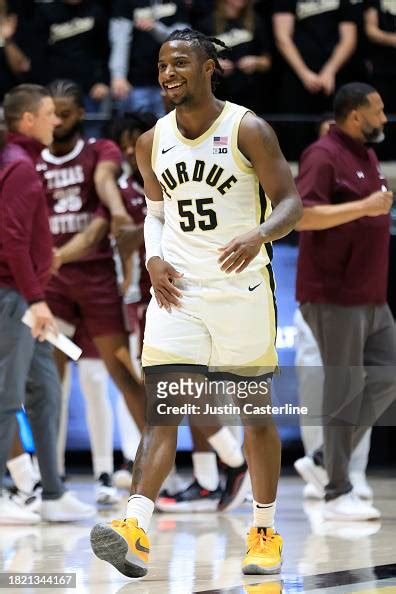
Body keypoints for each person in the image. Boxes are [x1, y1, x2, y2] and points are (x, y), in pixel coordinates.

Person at [90, 28, 302, 578]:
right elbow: (155, 213)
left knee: (255, 417)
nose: (168, 73)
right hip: (177, 291)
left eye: (180, 63)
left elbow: (291, 203)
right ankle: (134, 526)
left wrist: (259, 235)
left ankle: (264, 529)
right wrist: (153, 259)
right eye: (162, 64)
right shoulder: (150, 140)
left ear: (210, 67)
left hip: (241, 290)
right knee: (163, 414)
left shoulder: (247, 128)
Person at [35, 79, 146, 500]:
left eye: (65, 112)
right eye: (52, 112)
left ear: (81, 113)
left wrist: (116, 211)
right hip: (55, 289)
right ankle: (53, 479)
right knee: (51, 380)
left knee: (116, 376)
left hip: (99, 282)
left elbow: (103, 200)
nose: (57, 120)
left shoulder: (101, 151)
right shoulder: (32, 159)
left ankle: (141, 472)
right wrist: (51, 262)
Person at [294, 82, 396, 521]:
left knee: (387, 377)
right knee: (344, 389)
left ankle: (322, 462)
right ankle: (337, 490)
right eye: (379, 109)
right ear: (355, 115)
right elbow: (304, 215)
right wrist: (366, 208)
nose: (384, 116)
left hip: (371, 294)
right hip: (334, 294)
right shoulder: (322, 155)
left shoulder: (367, 154)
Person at [0, 84, 95, 524]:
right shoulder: (18, 167)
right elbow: (13, 241)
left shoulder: (19, 162)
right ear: (26, 120)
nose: (55, 121)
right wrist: (37, 299)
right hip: (15, 297)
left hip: (25, 296)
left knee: (46, 392)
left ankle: (53, 492)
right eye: (47, 114)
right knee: (7, 395)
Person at [109, 0, 189, 116]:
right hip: (135, 83)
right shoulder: (125, 3)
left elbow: (183, 40)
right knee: (136, 131)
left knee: (170, 131)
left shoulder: (176, 2)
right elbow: (120, 41)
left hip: (171, 82)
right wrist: (118, 76)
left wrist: (155, 28)